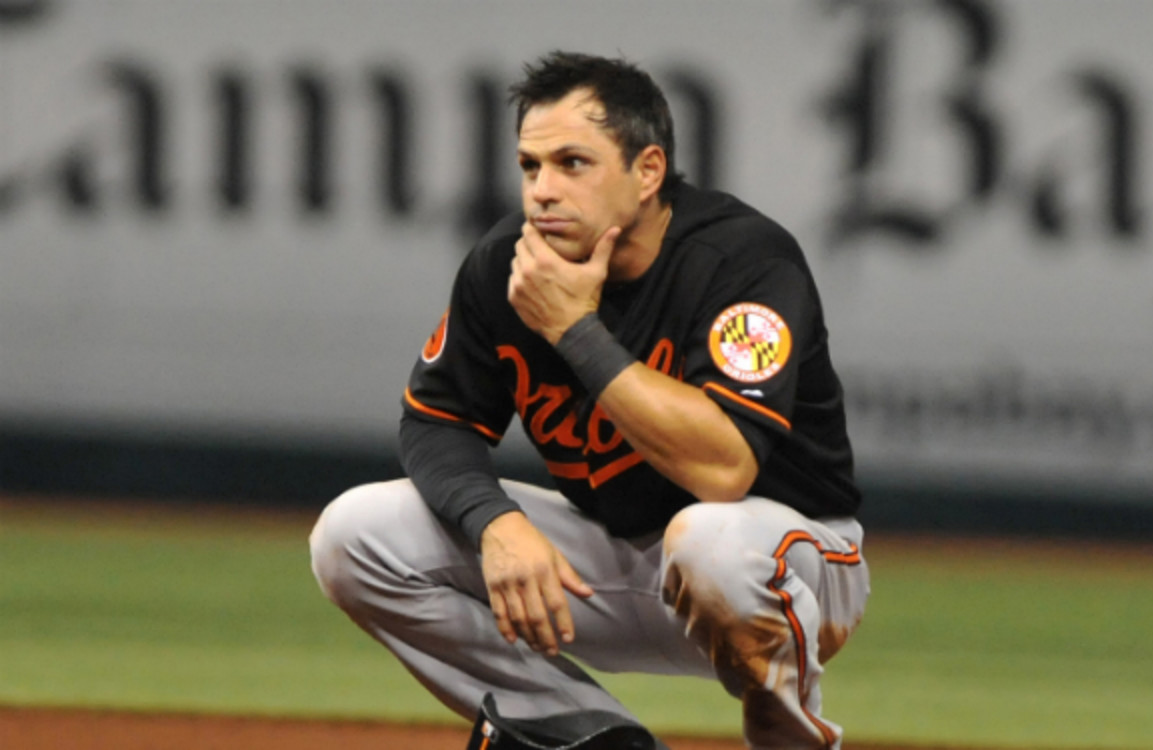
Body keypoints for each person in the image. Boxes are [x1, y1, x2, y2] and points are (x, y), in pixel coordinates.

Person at [309, 50, 870, 750]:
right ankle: (585, 737)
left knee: (709, 539)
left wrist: (576, 331)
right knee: (353, 534)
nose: (542, 190)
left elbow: (723, 472)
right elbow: (437, 417)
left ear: (648, 172)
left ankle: (790, 740)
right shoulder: (503, 265)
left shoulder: (743, 262)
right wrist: (495, 525)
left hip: (790, 565)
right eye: (529, 166)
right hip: (617, 565)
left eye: (572, 163)